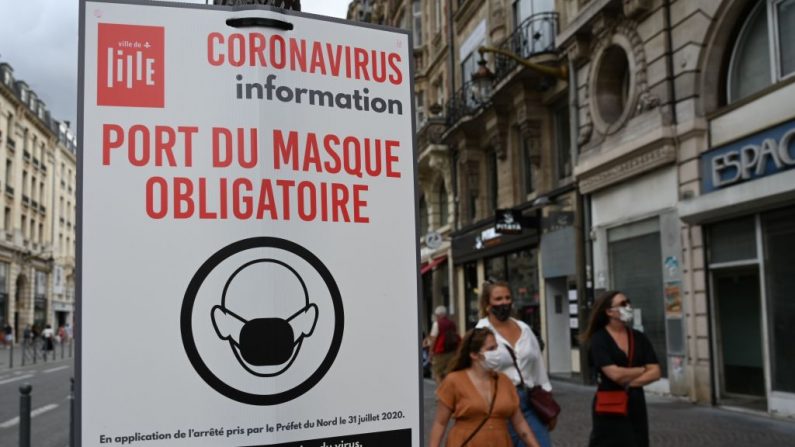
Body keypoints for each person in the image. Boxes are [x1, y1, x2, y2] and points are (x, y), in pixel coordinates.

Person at [429, 328, 541, 447]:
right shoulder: (454, 380)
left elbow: (519, 422)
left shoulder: (505, 381)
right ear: (474, 355)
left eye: (496, 347)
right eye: (491, 349)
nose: (497, 353)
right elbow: (440, 423)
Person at [476, 280, 555, 447]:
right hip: (497, 406)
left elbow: (538, 366)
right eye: (498, 299)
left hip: (528, 401)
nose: (504, 302)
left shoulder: (524, 329)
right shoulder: (480, 333)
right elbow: (474, 373)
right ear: (487, 304)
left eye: (507, 297)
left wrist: (548, 397)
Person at [581, 290, 661, 447]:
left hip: (636, 403)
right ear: (609, 312)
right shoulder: (599, 339)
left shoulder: (639, 337)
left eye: (629, 302)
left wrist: (629, 384)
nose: (628, 307)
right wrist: (641, 370)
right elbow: (614, 374)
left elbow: (656, 372)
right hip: (609, 405)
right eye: (623, 304)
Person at [428, 305, 459, 384]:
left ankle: (441, 392)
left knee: (438, 373)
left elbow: (433, 339)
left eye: (437, 315)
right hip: (452, 351)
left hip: (440, 352)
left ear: (439, 315)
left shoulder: (437, 324)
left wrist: (431, 351)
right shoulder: (452, 323)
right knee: (449, 372)